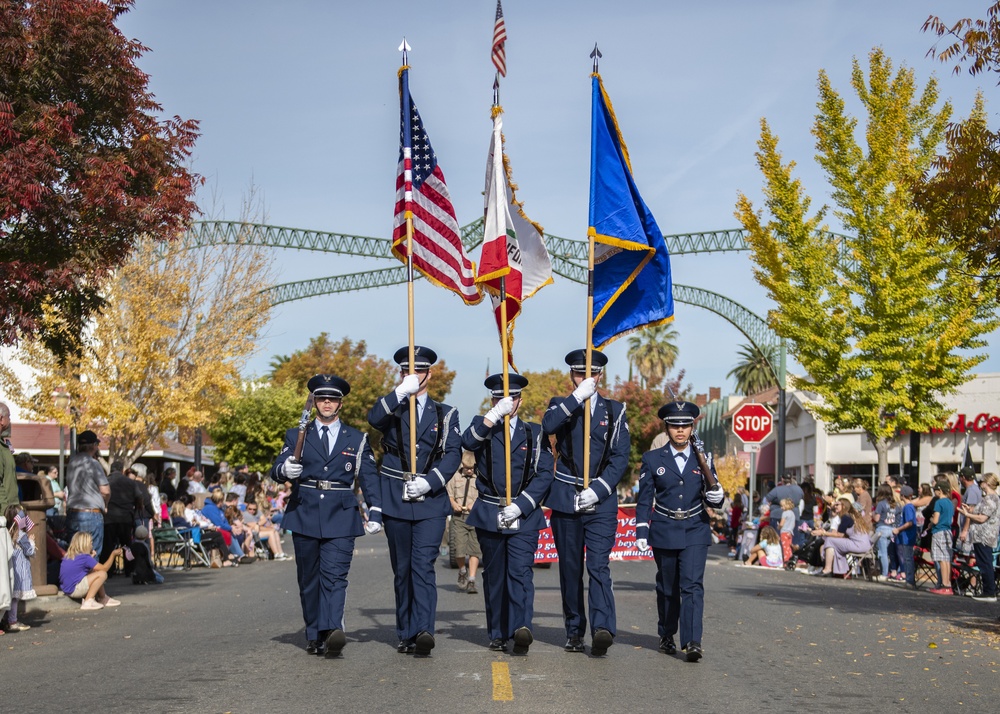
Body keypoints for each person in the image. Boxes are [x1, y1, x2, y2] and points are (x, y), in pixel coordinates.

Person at [274, 374, 382, 658]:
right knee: (309, 578)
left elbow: (368, 478)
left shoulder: (356, 439)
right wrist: (285, 469)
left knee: (335, 576)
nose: (326, 403)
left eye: (332, 398)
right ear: (314, 402)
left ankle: (332, 628)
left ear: (340, 404)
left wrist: (377, 510)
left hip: (341, 512)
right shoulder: (297, 434)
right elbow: (277, 465)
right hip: (305, 509)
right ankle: (314, 632)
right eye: (321, 398)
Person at [367, 346, 462, 657]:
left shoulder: (445, 413)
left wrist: (429, 482)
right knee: (403, 568)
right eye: (408, 371)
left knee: (423, 565)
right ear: (400, 374)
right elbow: (373, 418)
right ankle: (405, 631)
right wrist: (399, 392)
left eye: (419, 371)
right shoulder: (392, 407)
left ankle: (423, 630)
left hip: (430, 500)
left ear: (429, 374)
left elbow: (452, 455)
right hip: (396, 494)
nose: (414, 375)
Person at [542, 349, 630, 657]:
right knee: (569, 568)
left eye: (590, 374)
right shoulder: (560, 405)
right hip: (566, 495)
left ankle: (603, 627)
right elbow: (550, 426)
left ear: (600, 375)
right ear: (571, 376)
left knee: (598, 565)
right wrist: (577, 397)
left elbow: (621, 458)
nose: (585, 378)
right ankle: (574, 630)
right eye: (579, 374)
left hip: (601, 499)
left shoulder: (615, 410)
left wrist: (600, 488)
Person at [461, 373, 554, 656]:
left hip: (523, 513)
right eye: (501, 398)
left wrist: (521, 505)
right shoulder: (483, 426)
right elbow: (467, 443)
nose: (507, 402)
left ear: (520, 400)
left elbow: (544, 474)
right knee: (496, 576)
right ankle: (498, 632)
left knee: (521, 572)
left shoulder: (534, 433)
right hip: (489, 510)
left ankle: (521, 628)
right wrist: (491, 416)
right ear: (492, 400)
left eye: (512, 398)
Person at [635, 400, 723, 662]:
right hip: (664, 527)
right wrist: (641, 530)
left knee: (692, 585)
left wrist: (717, 496)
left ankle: (693, 641)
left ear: (692, 427)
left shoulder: (703, 458)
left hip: (695, 527)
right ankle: (666, 633)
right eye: (675, 425)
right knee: (667, 587)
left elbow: (713, 496)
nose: (681, 430)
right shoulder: (652, 459)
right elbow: (644, 498)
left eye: (686, 425)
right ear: (667, 428)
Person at [65, 430, 110, 556]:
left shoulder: (71, 463)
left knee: (75, 555)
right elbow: (105, 491)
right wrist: (105, 505)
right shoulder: (93, 463)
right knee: (92, 557)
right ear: (94, 446)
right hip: (91, 514)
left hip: (73, 513)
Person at [958, 473, 999, 603]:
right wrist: (970, 509)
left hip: (984, 536)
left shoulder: (991, 499)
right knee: (982, 563)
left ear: (986, 483)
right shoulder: (987, 498)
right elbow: (980, 512)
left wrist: (968, 514)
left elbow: (982, 518)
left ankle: (989, 591)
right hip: (980, 536)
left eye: (981, 481)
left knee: (985, 563)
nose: (980, 484)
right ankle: (988, 591)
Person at [810, 497, 873, 577]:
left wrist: (823, 533)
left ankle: (828, 569)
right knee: (831, 543)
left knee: (830, 540)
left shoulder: (846, 517)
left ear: (843, 506)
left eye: (837, 504)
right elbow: (842, 535)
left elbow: (839, 534)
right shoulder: (851, 516)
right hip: (864, 545)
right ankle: (837, 571)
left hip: (858, 545)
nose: (835, 506)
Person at [446, 450, 481, 594]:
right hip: (459, 517)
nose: (469, 470)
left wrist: (476, 504)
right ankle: (462, 571)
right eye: (466, 468)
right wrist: (454, 504)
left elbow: (484, 496)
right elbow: (449, 495)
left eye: (471, 468)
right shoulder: (455, 477)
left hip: (475, 518)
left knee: (474, 550)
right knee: (459, 551)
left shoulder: (479, 478)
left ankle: (472, 580)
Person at [59, 531, 122, 610]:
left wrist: (91, 558)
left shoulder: (70, 555)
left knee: (95, 571)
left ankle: (103, 597)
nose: (92, 545)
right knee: (102, 574)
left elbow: (81, 569)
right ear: (85, 544)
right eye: (91, 543)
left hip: (67, 589)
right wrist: (113, 554)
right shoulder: (85, 557)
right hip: (75, 589)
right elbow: (104, 568)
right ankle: (89, 601)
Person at [102, 461, 143, 570]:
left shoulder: (105, 481)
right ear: (122, 470)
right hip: (126, 517)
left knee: (108, 546)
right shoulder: (130, 482)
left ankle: (109, 570)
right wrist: (137, 507)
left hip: (109, 518)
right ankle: (129, 569)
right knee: (127, 546)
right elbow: (139, 497)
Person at [4, 505, 36, 631]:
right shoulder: (21, 535)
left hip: (9, 568)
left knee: (9, 595)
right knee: (15, 598)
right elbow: (29, 551)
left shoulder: (6, 533)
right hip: (19, 570)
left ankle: (7, 619)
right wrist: (32, 541)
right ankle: (12, 622)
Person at [928, 480, 955, 595]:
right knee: (947, 558)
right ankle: (948, 583)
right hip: (948, 531)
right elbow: (952, 519)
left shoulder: (939, 502)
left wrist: (931, 520)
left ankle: (943, 584)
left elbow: (936, 520)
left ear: (939, 491)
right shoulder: (950, 502)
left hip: (939, 531)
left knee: (941, 558)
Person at [892, 486, 919, 586]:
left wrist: (898, 529)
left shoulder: (908, 507)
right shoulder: (910, 506)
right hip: (907, 536)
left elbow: (909, 522)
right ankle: (909, 579)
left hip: (907, 537)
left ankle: (910, 580)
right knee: (907, 558)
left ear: (902, 495)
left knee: (907, 559)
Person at [872, 483, 897, 580]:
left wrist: (872, 514)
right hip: (892, 529)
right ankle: (891, 571)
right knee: (889, 553)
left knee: (882, 553)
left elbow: (877, 519)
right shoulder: (895, 504)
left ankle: (884, 573)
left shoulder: (881, 503)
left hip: (882, 529)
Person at [957, 467, 982, 556]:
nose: (959, 479)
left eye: (960, 476)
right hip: (970, 529)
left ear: (963, 477)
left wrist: (965, 530)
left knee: (968, 556)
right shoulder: (973, 489)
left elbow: (970, 512)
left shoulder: (971, 490)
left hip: (970, 530)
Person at [0, 402, 19, 514]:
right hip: (5, 514)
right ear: (1, 419)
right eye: (9, 417)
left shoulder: (3, 445)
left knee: (25, 531)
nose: (10, 420)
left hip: (12, 510)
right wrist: (7, 512)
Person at [778, 498, 796, 565]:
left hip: (784, 532)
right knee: (789, 547)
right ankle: (791, 560)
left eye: (782, 506)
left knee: (785, 547)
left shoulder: (784, 513)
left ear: (786, 505)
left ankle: (786, 561)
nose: (781, 508)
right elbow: (794, 524)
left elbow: (781, 524)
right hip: (790, 532)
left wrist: (779, 527)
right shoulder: (792, 513)